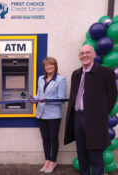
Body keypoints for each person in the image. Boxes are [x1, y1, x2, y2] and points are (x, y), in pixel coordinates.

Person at [64, 45, 117, 175]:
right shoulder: (76, 73)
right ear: (79, 56)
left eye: (87, 52)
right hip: (78, 118)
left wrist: (101, 113)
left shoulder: (105, 72)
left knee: (95, 155)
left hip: (95, 120)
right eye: (82, 53)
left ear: (93, 54)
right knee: (81, 153)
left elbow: (112, 95)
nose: (84, 55)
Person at [30, 57, 67, 173]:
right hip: (41, 113)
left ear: (55, 66)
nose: (49, 67)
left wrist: (47, 100)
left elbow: (61, 99)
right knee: (45, 139)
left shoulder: (61, 79)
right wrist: (34, 98)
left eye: (51, 65)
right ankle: (47, 160)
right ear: (44, 67)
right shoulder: (41, 78)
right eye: (46, 65)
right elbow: (39, 94)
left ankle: (53, 161)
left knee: (53, 139)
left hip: (53, 115)